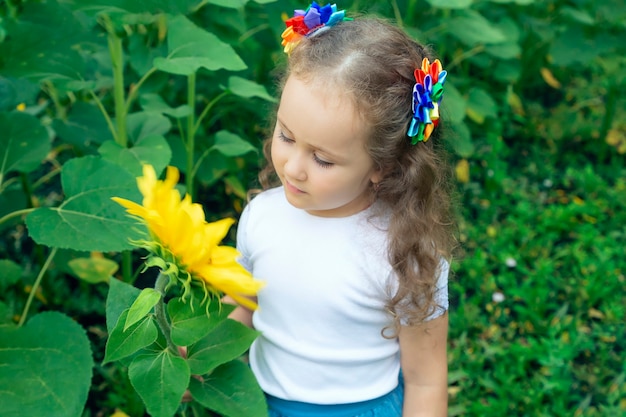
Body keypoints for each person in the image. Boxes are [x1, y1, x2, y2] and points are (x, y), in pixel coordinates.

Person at [228, 3, 455, 416]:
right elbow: (243, 304)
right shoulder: (262, 216)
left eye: (323, 159)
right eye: (286, 135)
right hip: (259, 403)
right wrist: (200, 359)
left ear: (381, 165)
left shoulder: (402, 252)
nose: (293, 167)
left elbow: (425, 379)